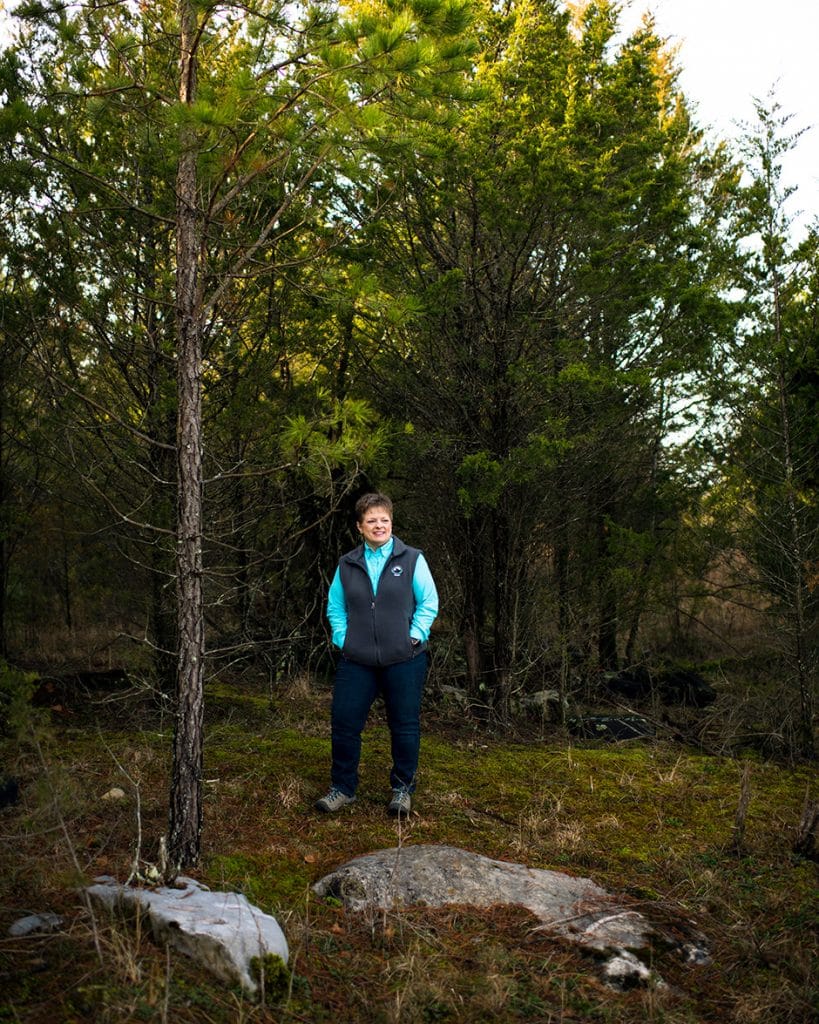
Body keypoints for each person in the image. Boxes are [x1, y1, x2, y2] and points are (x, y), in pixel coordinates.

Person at [315, 492, 438, 817]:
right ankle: (342, 789)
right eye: (371, 521)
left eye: (384, 520)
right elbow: (335, 607)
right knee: (344, 723)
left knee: (405, 725)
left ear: (391, 523)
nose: (379, 525)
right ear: (360, 526)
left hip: (405, 660)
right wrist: (343, 639)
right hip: (357, 661)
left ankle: (402, 790)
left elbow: (429, 602)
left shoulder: (412, 559)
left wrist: (414, 636)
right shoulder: (347, 564)